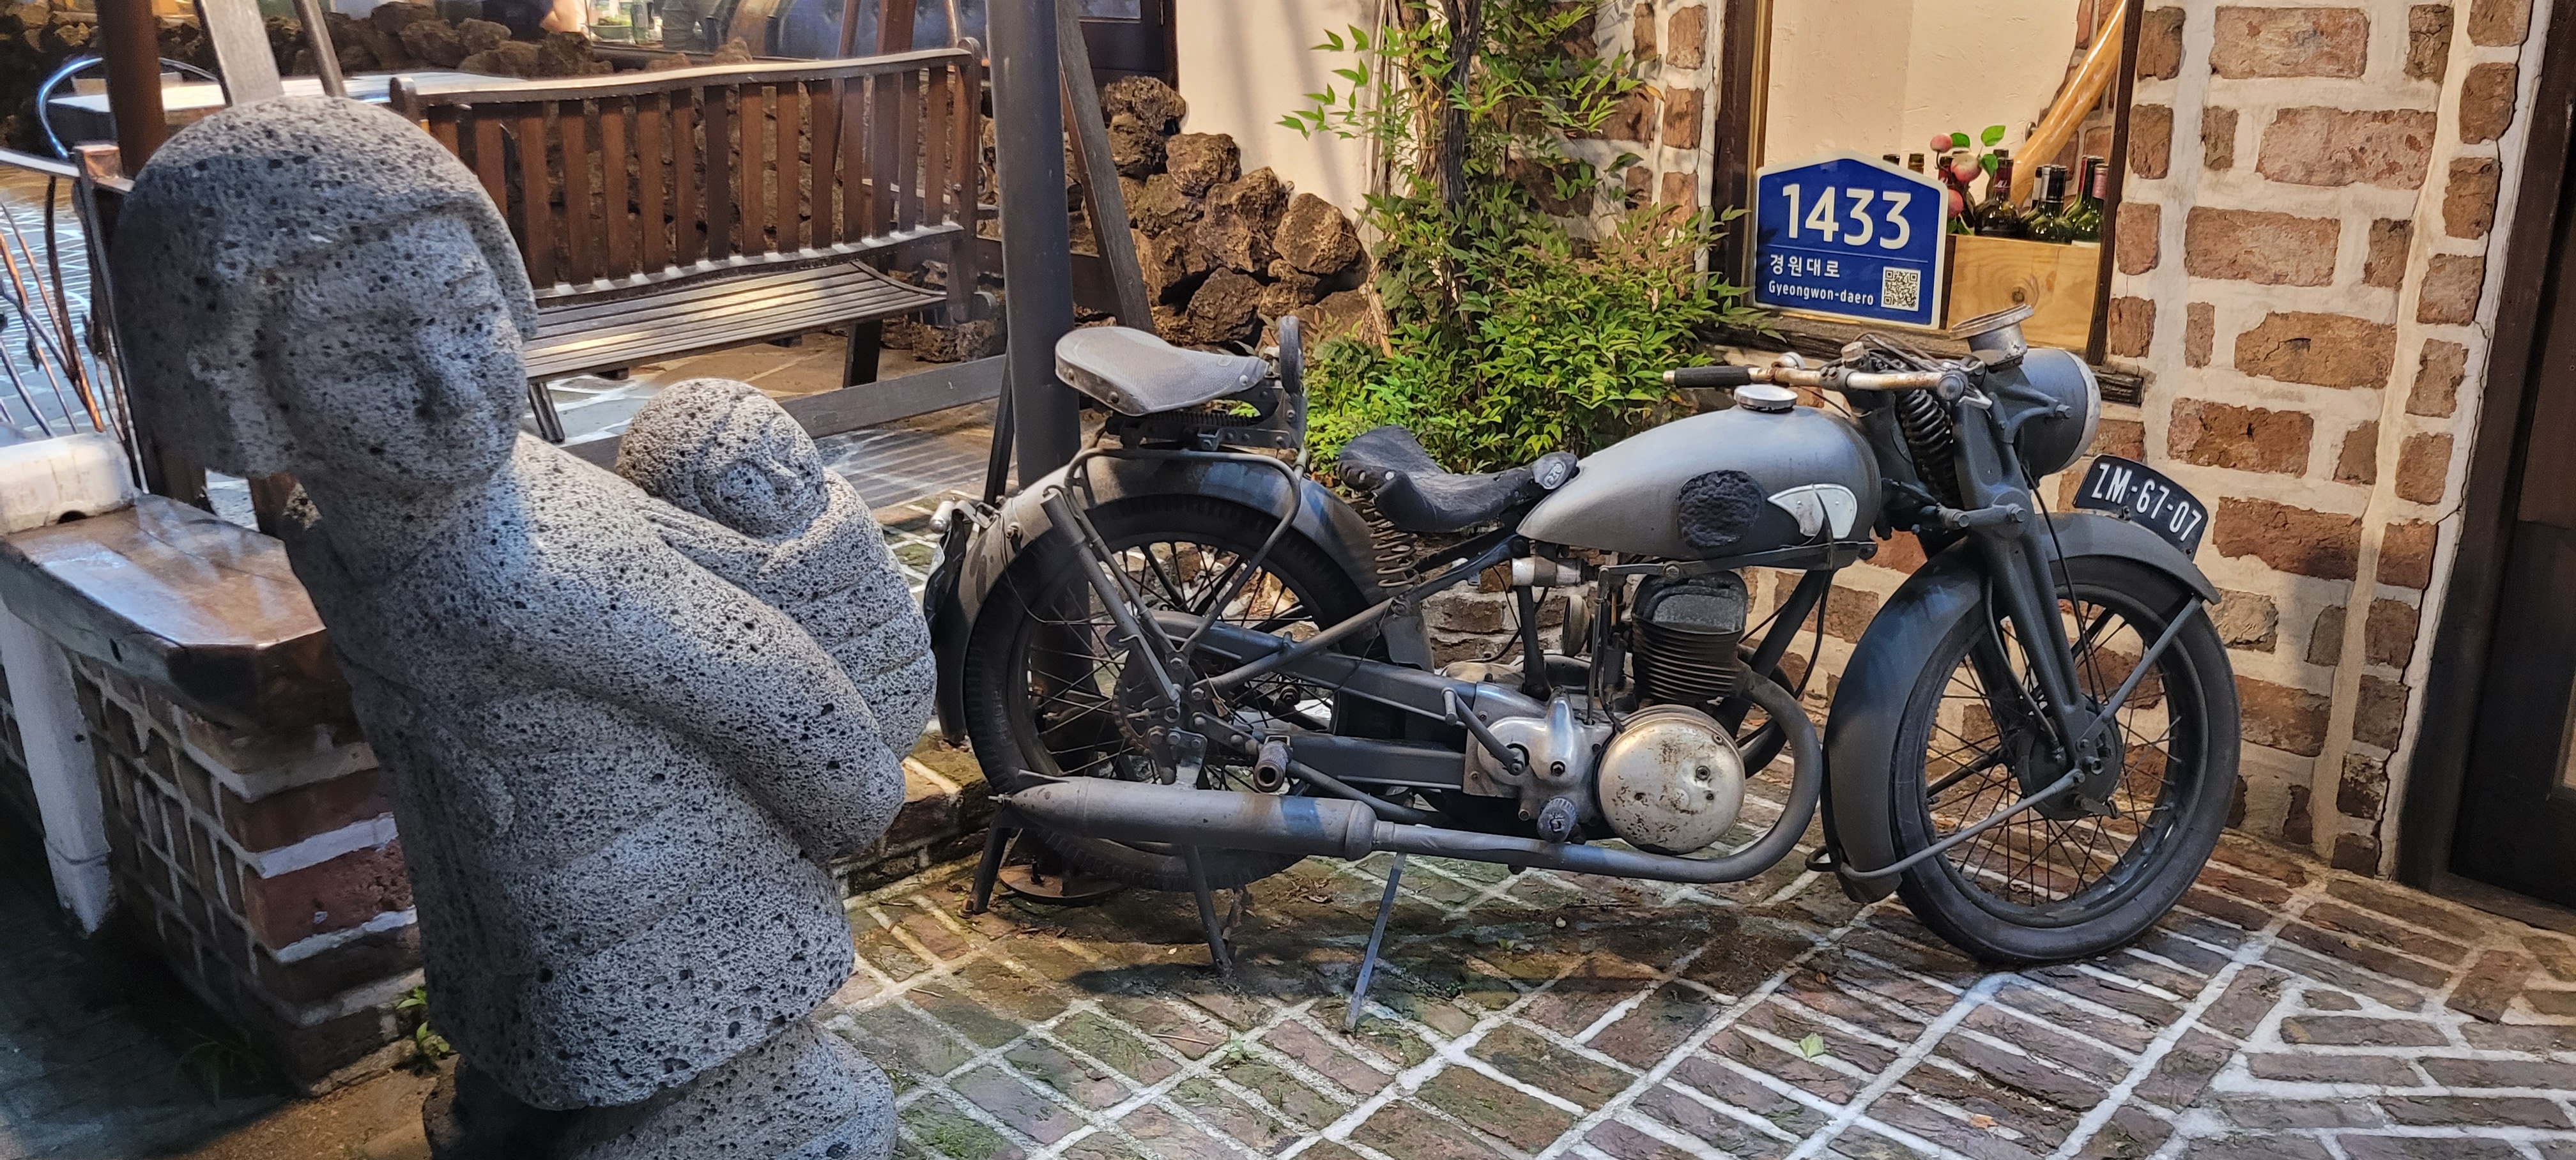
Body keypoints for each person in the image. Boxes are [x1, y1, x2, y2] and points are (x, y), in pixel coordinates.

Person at [111, 96, 900, 1160]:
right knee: (502, 1092)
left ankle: (787, 1100)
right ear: (244, 393)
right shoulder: (323, 531)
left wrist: (842, 820)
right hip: (509, 919)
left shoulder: (526, 567)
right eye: (363, 358)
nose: (451, 391)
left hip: (678, 941)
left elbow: (799, 715)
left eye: (471, 317)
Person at [615, 377, 935, 753]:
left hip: (894, 688)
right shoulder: (698, 565)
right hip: (812, 735)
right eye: (740, 482)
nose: (785, 478)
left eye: (782, 441)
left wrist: (706, 547)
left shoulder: (841, 513)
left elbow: (774, 570)